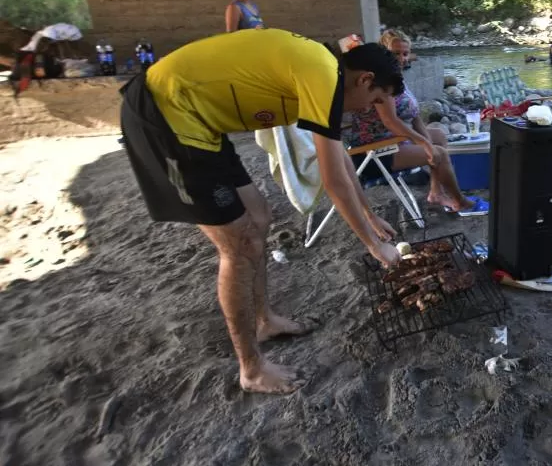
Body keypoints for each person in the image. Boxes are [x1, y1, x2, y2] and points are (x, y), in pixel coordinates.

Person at [119, 29, 405, 395]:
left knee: (259, 217)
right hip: (165, 114)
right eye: (375, 99)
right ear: (364, 79)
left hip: (201, 121)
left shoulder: (327, 72)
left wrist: (369, 214)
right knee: (240, 245)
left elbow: (339, 159)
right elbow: (333, 180)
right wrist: (372, 245)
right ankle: (251, 370)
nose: (368, 109)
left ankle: (264, 321)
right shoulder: (322, 74)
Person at [345, 29, 489, 216]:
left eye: (405, 54)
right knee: (440, 154)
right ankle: (460, 202)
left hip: (394, 142)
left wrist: (427, 140)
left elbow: (415, 117)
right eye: (396, 53)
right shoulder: (382, 83)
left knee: (438, 135)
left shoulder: (397, 80)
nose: (402, 59)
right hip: (375, 151)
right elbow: (390, 121)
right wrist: (424, 143)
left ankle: (436, 192)